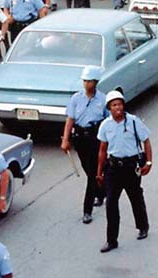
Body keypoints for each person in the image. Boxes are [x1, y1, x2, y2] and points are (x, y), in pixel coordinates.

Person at [96, 89, 152, 253]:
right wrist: (99, 172)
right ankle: (111, 240)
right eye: (114, 105)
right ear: (109, 108)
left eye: (120, 104)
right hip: (113, 168)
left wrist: (148, 162)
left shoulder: (133, 121)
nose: (118, 107)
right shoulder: (105, 125)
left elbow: (146, 141)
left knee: (135, 197)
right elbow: (102, 150)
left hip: (131, 166)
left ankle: (143, 227)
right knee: (111, 203)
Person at [61, 64, 108, 223]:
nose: (86, 84)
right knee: (89, 171)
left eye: (90, 81)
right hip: (80, 138)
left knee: (93, 174)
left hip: (96, 137)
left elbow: (108, 121)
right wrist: (65, 139)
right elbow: (70, 119)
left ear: (96, 82)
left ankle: (87, 210)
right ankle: (101, 193)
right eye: (85, 81)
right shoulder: (76, 98)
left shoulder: (103, 99)